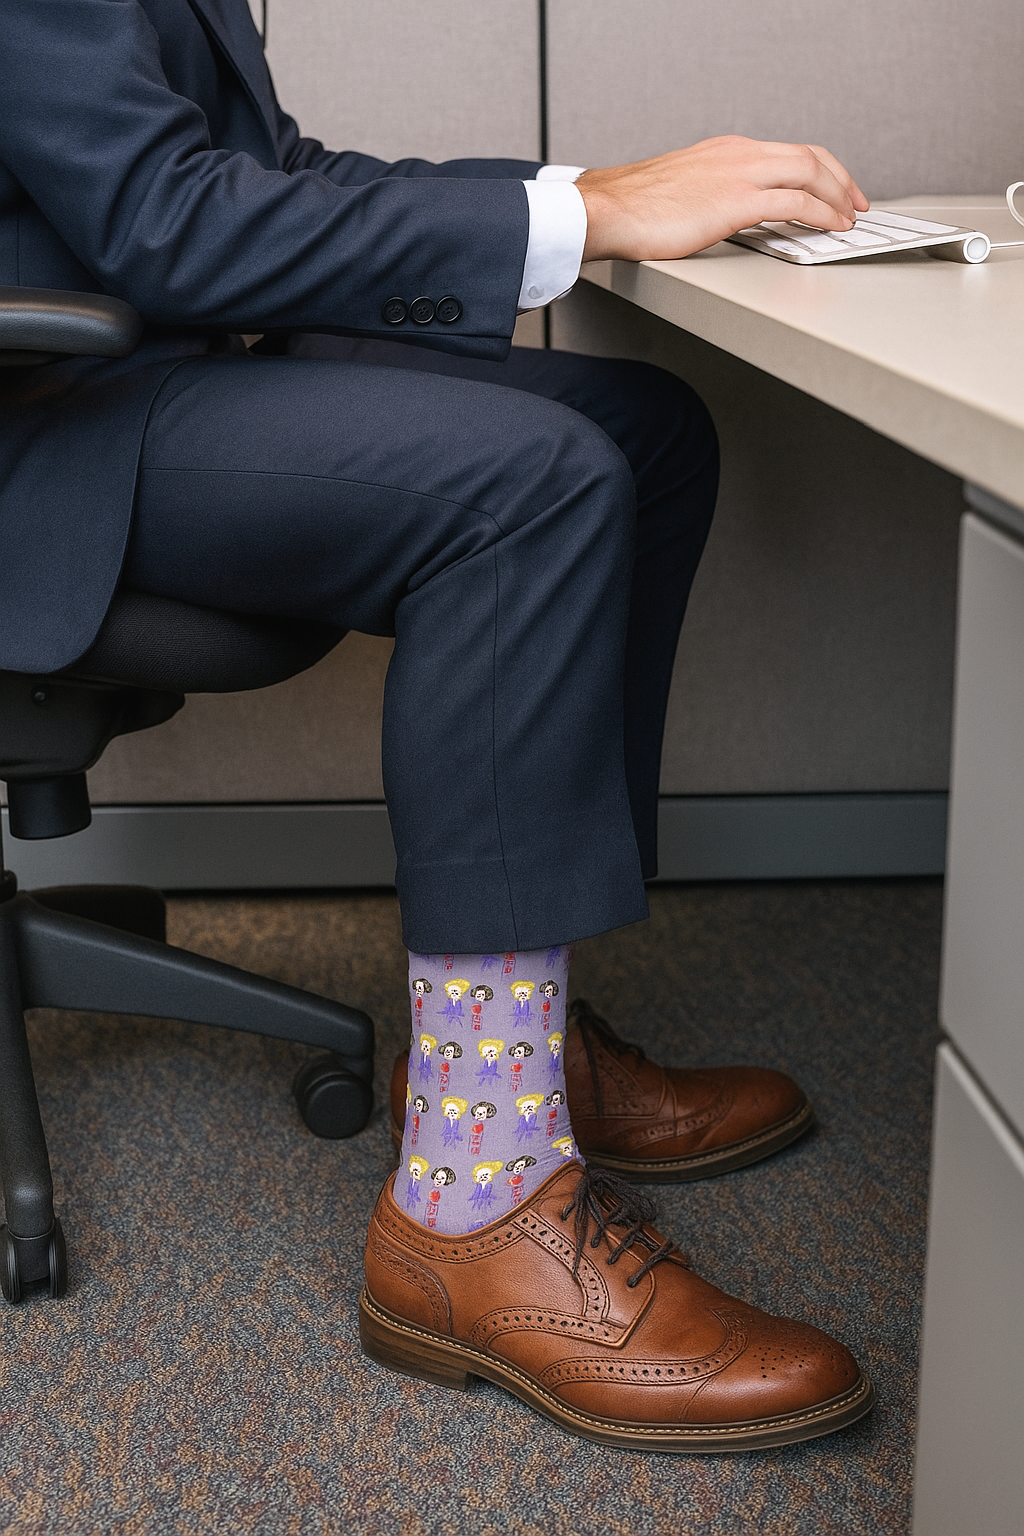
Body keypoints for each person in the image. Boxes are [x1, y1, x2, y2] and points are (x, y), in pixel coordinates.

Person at [0, 0, 873, 1452]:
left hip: (147, 363)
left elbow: (265, 169)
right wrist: (585, 214)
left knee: (646, 440)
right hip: (42, 425)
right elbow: (168, 221)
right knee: (526, 487)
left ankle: (506, 1041)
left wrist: (577, 198)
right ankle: (474, 1207)